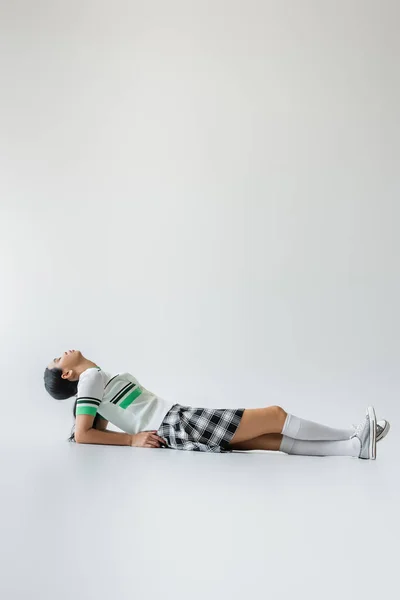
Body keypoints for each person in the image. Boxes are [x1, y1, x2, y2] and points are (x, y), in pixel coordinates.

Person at [44, 349, 390, 459]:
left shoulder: (97, 380)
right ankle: (356, 431)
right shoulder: (89, 380)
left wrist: (127, 434)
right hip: (175, 421)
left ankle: (357, 447)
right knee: (275, 416)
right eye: (58, 360)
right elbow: (85, 433)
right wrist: (133, 439)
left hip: (174, 423)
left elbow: (93, 426)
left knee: (269, 440)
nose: (63, 353)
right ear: (70, 375)